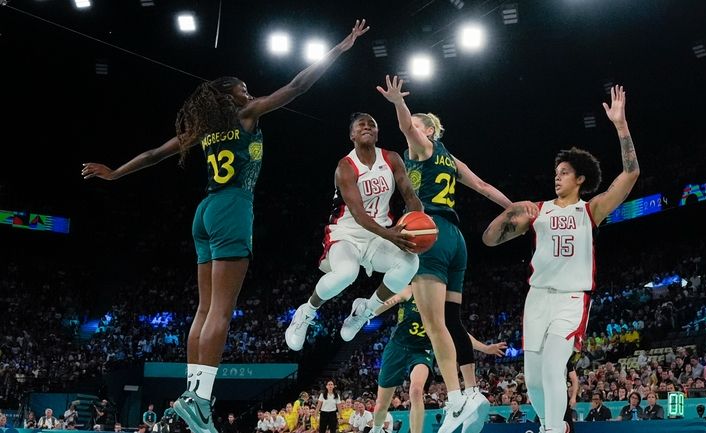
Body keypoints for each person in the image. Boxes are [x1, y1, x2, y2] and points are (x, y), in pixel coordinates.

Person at [81, 20, 370, 433]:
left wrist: (114, 174)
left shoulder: (205, 129)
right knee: (220, 310)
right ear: (228, 96)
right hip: (234, 205)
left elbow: (153, 155)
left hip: (206, 210)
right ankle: (199, 400)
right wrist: (339, 48)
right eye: (243, 89)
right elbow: (298, 85)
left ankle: (192, 393)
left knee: (204, 309)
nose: (249, 93)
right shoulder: (245, 114)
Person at [376, 75, 537, 433]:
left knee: (434, 326)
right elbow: (481, 185)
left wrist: (397, 103)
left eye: (418, 128)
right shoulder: (450, 159)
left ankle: (456, 399)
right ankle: (471, 390)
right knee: (451, 321)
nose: (410, 132)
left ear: (429, 132)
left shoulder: (423, 149)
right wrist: (516, 208)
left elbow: (405, 126)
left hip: (428, 235)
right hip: (454, 239)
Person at [482, 85, 640, 433]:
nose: (557, 176)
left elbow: (630, 175)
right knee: (533, 380)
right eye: (556, 172)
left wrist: (621, 125)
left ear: (580, 179)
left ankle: (553, 429)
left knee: (556, 365)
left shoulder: (590, 210)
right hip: (537, 298)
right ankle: (550, 424)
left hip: (571, 298)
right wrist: (510, 212)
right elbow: (490, 240)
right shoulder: (537, 211)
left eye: (565, 172)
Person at [285, 111, 422, 351]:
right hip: (345, 234)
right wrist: (391, 234)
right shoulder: (345, 167)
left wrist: (417, 222)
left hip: (378, 235)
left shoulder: (391, 158)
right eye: (361, 125)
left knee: (411, 263)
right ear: (352, 135)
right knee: (347, 272)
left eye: (372, 124)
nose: (367, 127)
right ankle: (306, 312)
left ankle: (365, 310)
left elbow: (411, 197)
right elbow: (359, 215)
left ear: (377, 132)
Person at [368, 286, 507, 433]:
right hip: (397, 348)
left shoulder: (441, 302)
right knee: (381, 405)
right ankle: (376, 429)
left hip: (422, 351)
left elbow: (459, 333)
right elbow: (394, 298)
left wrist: (485, 348)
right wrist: (390, 300)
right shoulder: (411, 289)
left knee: (416, 391)